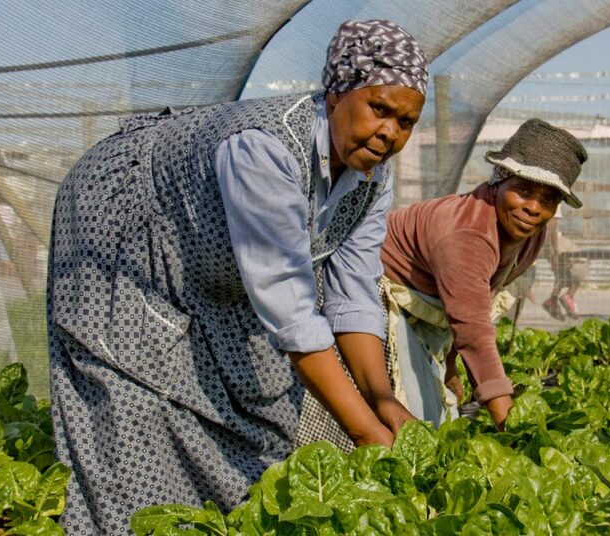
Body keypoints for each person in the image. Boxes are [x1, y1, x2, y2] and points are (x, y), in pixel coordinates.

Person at [46, 19, 427, 534]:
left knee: (258, 403)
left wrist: (384, 403)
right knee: (135, 405)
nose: (390, 132)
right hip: (120, 235)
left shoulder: (372, 174)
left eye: (405, 122)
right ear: (337, 93)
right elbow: (292, 312)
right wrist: (363, 431)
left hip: (210, 258)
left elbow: (352, 292)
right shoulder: (265, 149)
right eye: (379, 109)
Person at [379, 118, 588, 430]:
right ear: (498, 182)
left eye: (547, 199)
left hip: (432, 306)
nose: (533, 207)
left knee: (442, 411)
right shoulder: (466, 235)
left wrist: (450, 366)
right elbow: (474, 331)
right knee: (409, 421)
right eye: (523, 190)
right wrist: (509, 425)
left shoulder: (531, 234)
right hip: (384, 294)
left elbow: (469, 306)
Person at [541, 206, 589, 320]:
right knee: (581, 261)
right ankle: (569, 296)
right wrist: (556, 250)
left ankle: (553, 300)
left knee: (562, 271)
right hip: (552, 241)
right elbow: (552, 224)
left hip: (546, 241)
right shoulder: (555, 195)